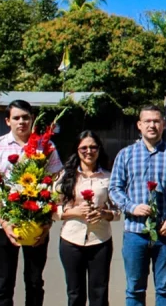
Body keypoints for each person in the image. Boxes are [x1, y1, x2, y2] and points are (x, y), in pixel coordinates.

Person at [0, 99, 63, 306]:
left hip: (37, 223)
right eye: (16, 118)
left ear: (32, 119)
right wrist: (4, 221)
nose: (21, 122)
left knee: (34, 281)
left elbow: (56, 183)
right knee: (3, 282)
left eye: (26, 117)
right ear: (8, 121)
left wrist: (48, 222)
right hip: (4, 224)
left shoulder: (46, 145)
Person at [109, 105, 166, 306]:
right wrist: (131, 207)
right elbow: (114, 188)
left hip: (165, 232)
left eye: (156, 121)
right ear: (139, 125)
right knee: (135, 288)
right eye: (147, 121)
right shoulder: (125, 155)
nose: (152, 125)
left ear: (163, 125)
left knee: (164, 288)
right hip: (135, 232)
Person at [55, 131, 120, 306]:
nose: (88, 151)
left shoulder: (109, 177)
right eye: (84, 147)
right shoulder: (65, 177)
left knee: (99, 293)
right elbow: (52, 209)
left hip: (100, 241)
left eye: (93, 147)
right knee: (75, 293)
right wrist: (74, 212)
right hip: (71, 240)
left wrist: (104, 214)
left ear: (99, 150)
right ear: (77, 150)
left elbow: (118, 210)